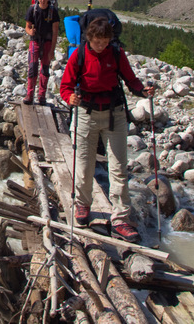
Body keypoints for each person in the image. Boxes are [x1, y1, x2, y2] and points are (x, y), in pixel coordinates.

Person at [59, 16, 154, 243]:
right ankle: (83, 205)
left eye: (104, 41)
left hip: (115, 115)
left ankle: (120, 218)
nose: (100, 46)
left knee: (119, 166)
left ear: (110, 40)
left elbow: (130, 80)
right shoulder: (80, 55)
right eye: (97, 42)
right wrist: (68, 98)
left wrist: (142, 90)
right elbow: (65, 86)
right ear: (89, 38)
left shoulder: (116, 54)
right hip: (86, 113)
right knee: (83, 164)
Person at [23, 0, 59, 106]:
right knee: (33, 67)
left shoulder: (53, 12)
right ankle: (30, 94)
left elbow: (55, 32)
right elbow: (27, 27)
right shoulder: (33, 10)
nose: (42, 1)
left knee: (45, 69)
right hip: (35, 41)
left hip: (48, 42)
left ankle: (41, 96)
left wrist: (52, 50)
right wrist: (30, 32)